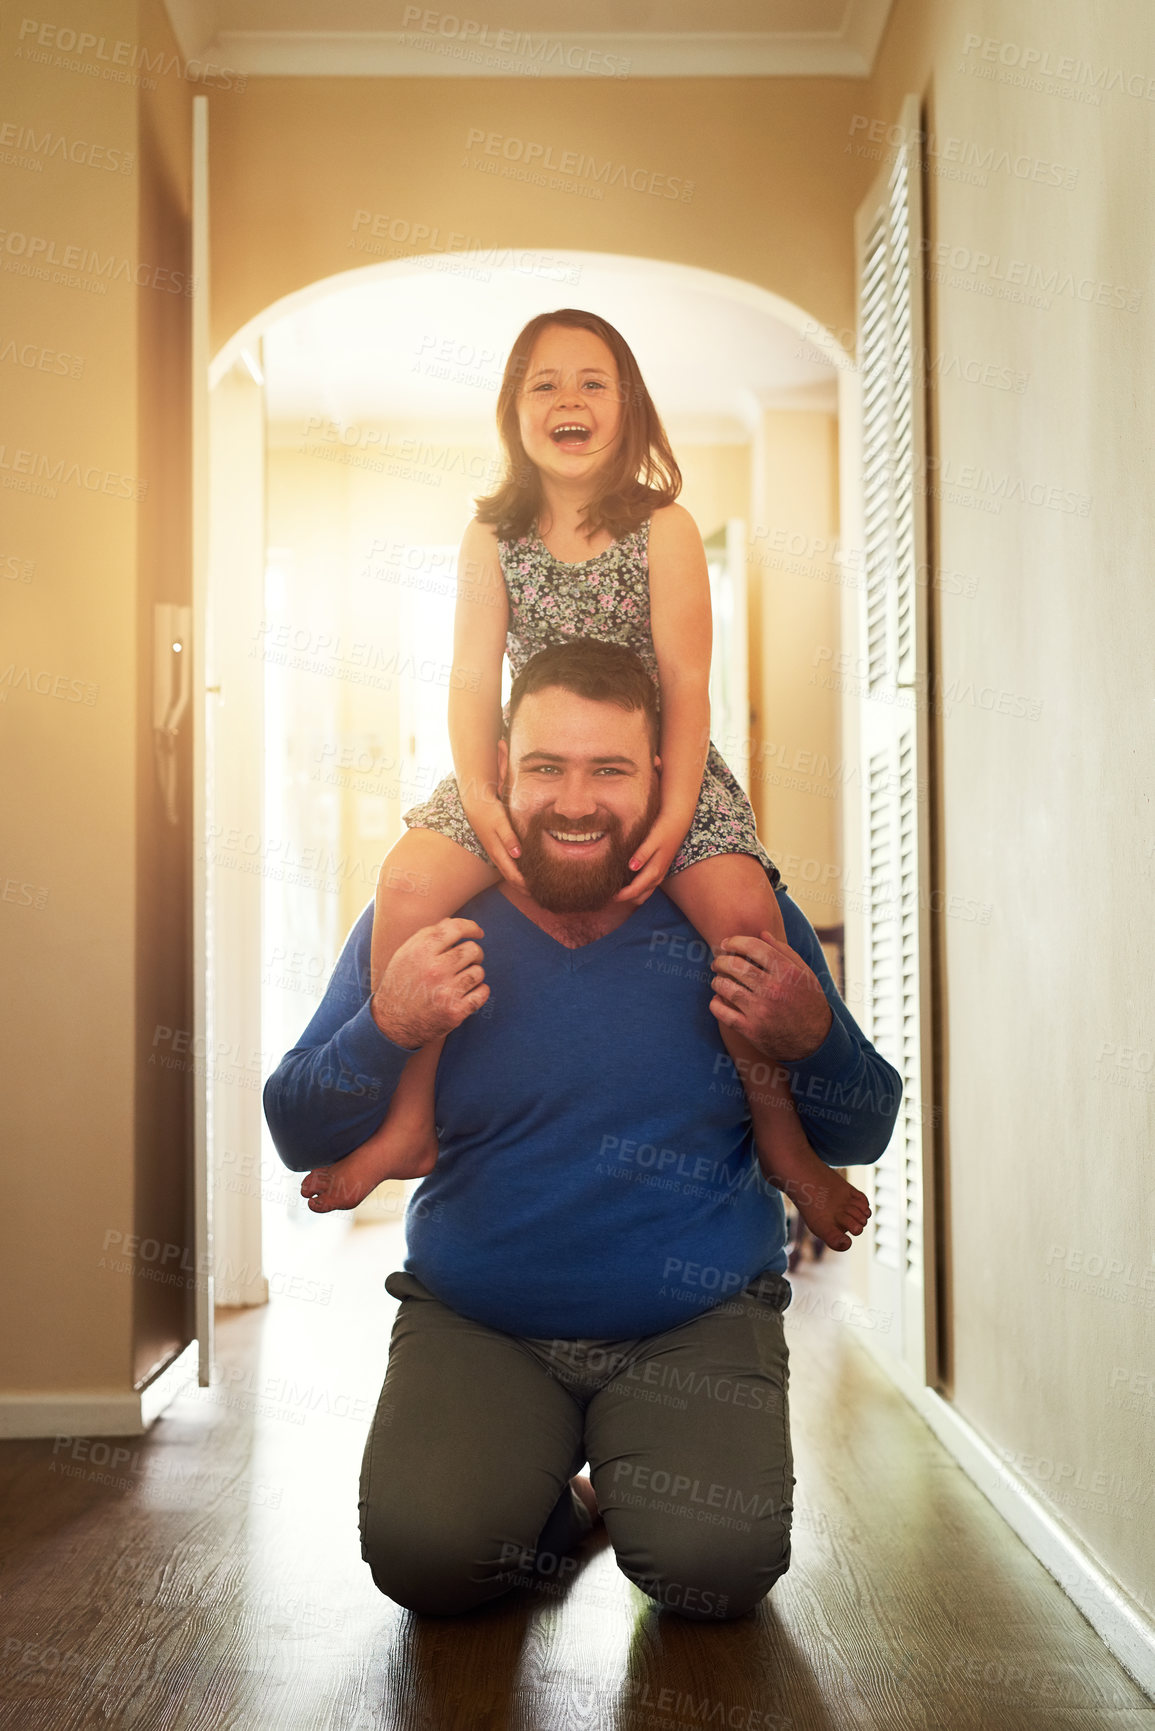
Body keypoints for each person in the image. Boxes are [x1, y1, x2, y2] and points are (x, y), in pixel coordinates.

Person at [263, 639, 901, 1620]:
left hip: (692, 1321)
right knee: (429, 1557)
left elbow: (863, 1127)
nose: (574, 801)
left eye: (608, 769)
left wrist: (812, 1035)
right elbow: (298, 1129)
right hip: (481, 1320)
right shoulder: (427, 915)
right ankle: (556, 1510)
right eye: (544, 768)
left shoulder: (739, 911)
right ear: (497, 775)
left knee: (713, 1570)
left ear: (663, 778)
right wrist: (388, 1025)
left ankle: (631, 1495)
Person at [305, 307, 870, 1254]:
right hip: (519, 766)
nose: (568, 399)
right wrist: (479, 793)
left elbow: (687, 683)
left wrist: (679, 802)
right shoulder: (491, 535)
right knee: (403, 881)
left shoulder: (666, 527)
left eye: (591, 382)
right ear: (513, 413)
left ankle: (784, 1145)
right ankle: (408, 1121)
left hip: (653, 769)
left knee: (743, 911)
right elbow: (471, 680)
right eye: (544, 383)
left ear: (628, 408)